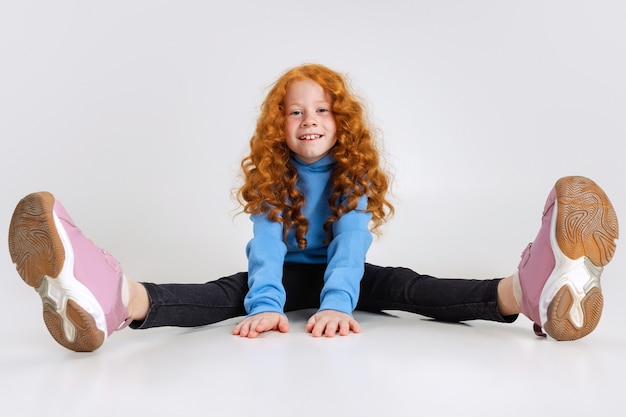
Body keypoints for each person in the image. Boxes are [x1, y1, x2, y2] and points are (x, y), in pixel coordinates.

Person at [8, 64, 619, 352]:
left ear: (340, 121)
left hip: (340, 277)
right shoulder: (274, 179)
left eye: (321, 110)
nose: (308, 120)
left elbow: (352, 245)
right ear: (280, 125)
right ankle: (106, 297)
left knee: (408, 287)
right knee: (224, 294)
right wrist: (269, 305)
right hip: (286, 276)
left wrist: (335, 302)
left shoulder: (351, 176)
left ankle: (532, 289)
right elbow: (267, 247)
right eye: (295, 111)